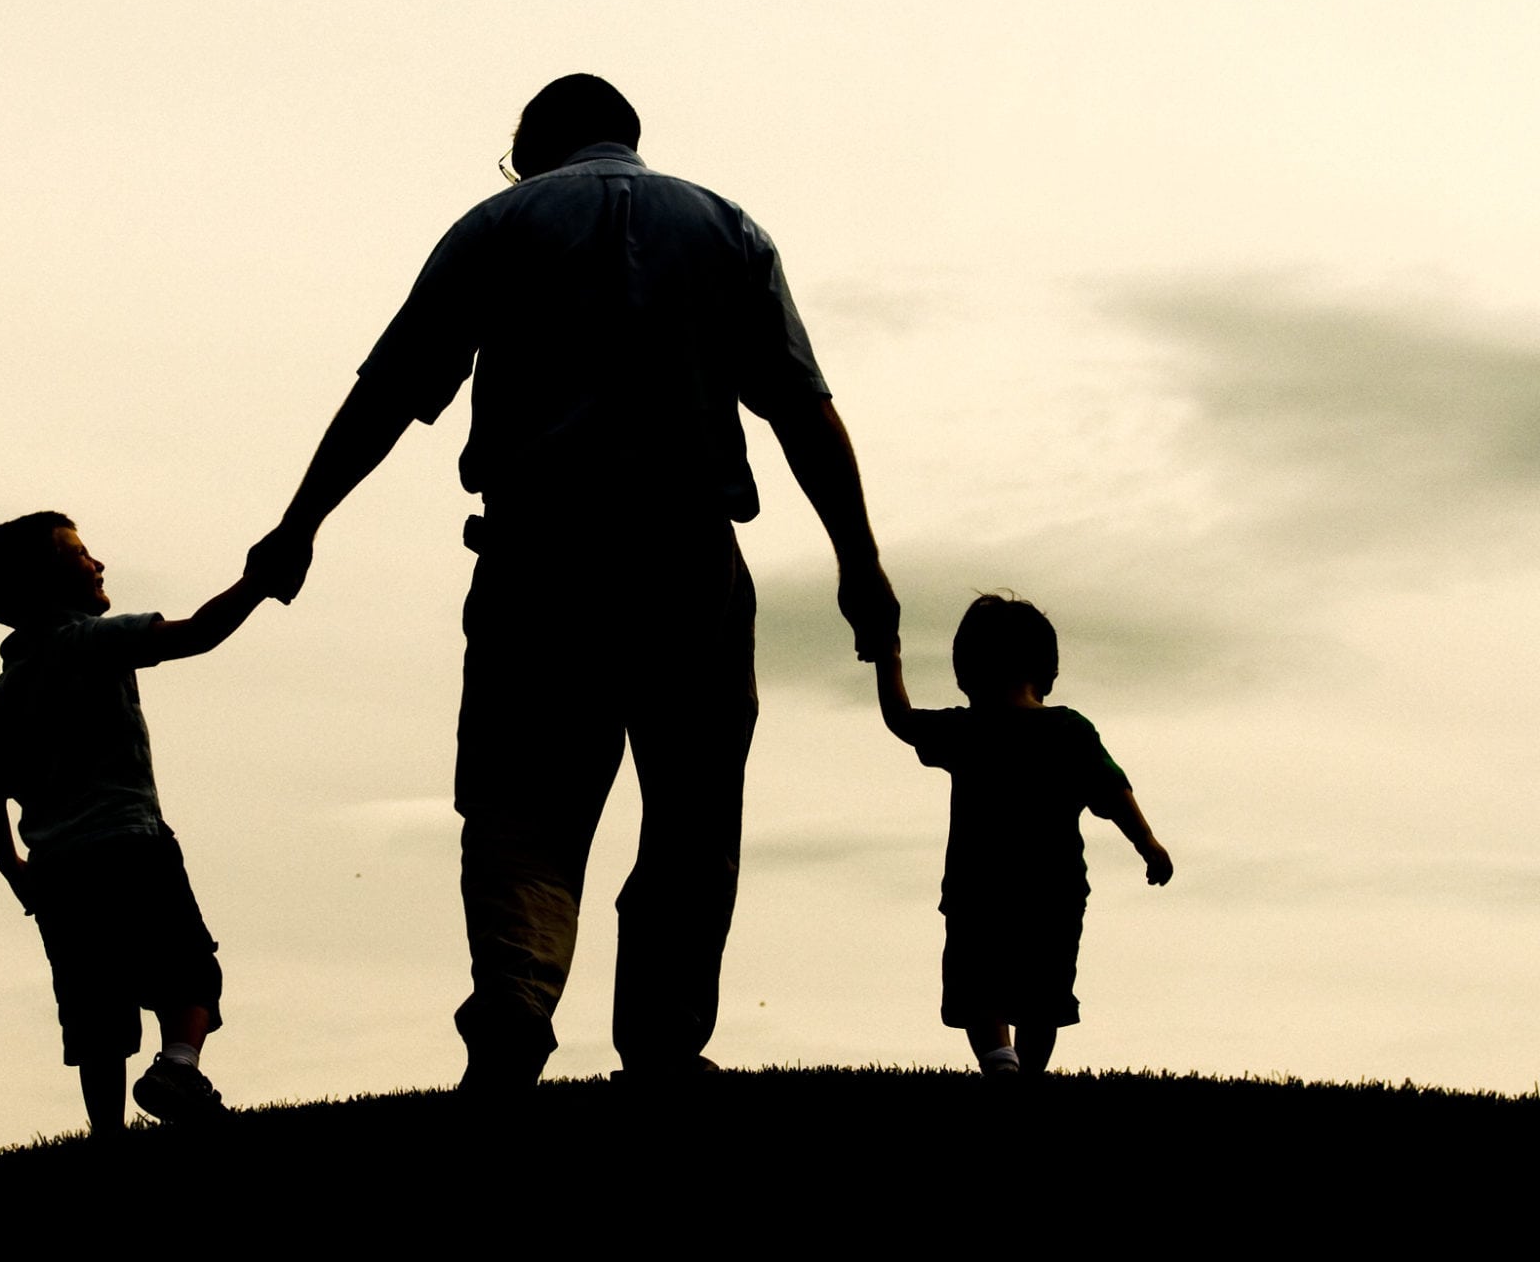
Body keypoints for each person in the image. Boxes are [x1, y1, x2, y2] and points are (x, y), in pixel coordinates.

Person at [245, 74, 897, 1092]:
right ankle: (663, 1042)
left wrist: (299, 522)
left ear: (531, 142)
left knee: (519, 799)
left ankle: (513, 997)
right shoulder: (725, 227)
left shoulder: (497, 223)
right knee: (690, 808)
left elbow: (390, 388)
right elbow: (799, 408)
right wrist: (859, 564)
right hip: (686, 554)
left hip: (536, 551)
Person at [0, 511, 264, 1134]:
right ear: (47, 580)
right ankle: (178, 1066)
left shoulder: (7, 688)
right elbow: (200, 634)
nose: (98, 564)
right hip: (132, 846)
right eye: (80, 554)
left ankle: (107, 1135)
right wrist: (257, 583)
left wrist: (17, 872)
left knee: (94, 1009)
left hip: (58, 872)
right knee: (188, 971)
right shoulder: (88, 640)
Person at [874, 592, 1173, 1079]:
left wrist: (889, 657)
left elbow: (901, 720)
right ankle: (1027, 1072)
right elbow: (1113, 791)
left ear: (965, 671)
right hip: (1054, 893)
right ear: (1047, 670)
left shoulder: (967, 729)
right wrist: (1149, 845)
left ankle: (1000, 1062)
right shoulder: (1069, 729)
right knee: (1043, 998)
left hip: (978, 892)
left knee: (979, 987)